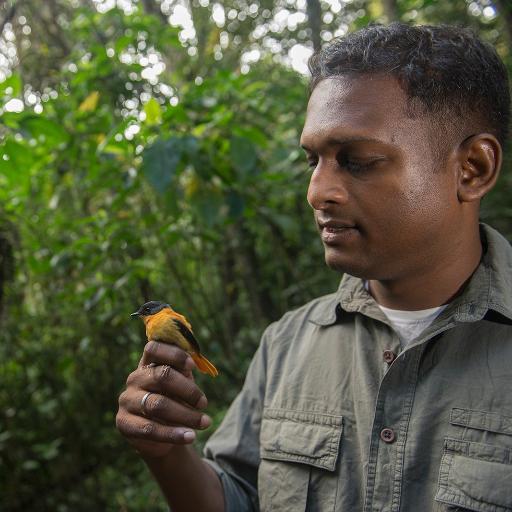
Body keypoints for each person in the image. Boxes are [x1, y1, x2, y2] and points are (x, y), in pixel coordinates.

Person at [116, 23, 512, 511]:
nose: (317, 192)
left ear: (472, 167)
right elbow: (240, 496)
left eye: (358, 161)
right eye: (313, 161)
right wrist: (167, 454)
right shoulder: (287, 343)